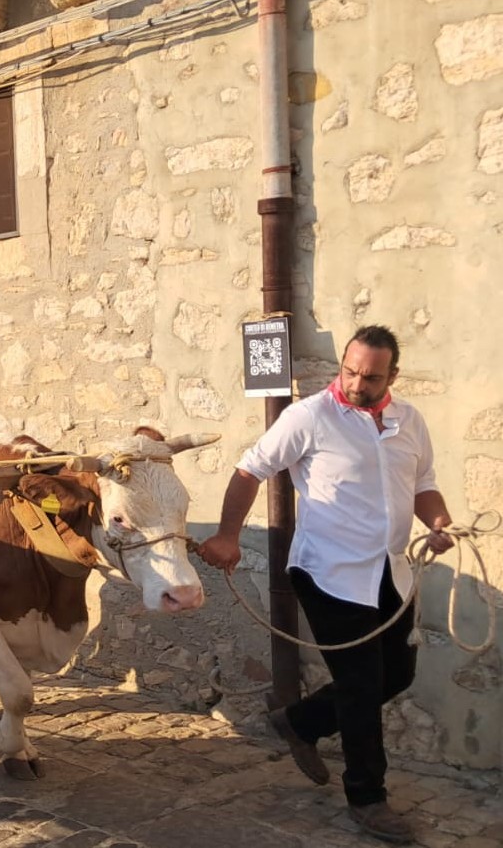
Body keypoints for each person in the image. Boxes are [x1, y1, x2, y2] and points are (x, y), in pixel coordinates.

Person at [197, 325, 455, 846]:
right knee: (361, 686)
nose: (357, 383)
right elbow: (249, 471)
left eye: (371, 376)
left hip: (389, 571)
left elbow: (423, 483)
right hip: (328, 573)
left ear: (393, 376)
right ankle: (367, 797)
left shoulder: (409, 421)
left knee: (397, 674)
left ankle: (300, 722)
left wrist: (439, 522)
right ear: (344, 363)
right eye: (350, 370)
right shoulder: (308, 416)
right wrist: (226, 535)